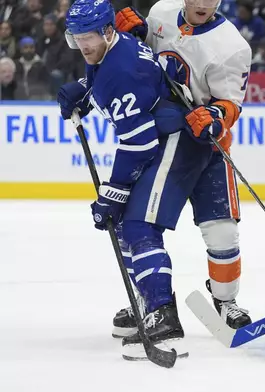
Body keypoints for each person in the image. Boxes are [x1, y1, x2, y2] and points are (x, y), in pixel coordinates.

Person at [56, 0, 221, 360]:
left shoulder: (121, 68)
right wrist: (85, 90)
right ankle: (148, 302)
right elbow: (117, 86)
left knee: (137, 224)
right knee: (124, 224)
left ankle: (162, 313)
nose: (84, 45)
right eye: (77, 38)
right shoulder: (107, 52)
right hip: (162, 138)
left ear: (108, 30)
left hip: (175, 141)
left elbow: (139, 140)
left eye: (90, 37)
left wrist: (111, 194)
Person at [113, 0, 253, 331]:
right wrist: (137, 36)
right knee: (139, 222)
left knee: (222, 230)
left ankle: (226, 300)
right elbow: (146, 58)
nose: (203, 3)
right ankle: (149, 301)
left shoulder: (231, 46)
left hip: (207, 144)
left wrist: (216, 115)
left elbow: (230, 103)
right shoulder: (162, 11)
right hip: (162, 139)